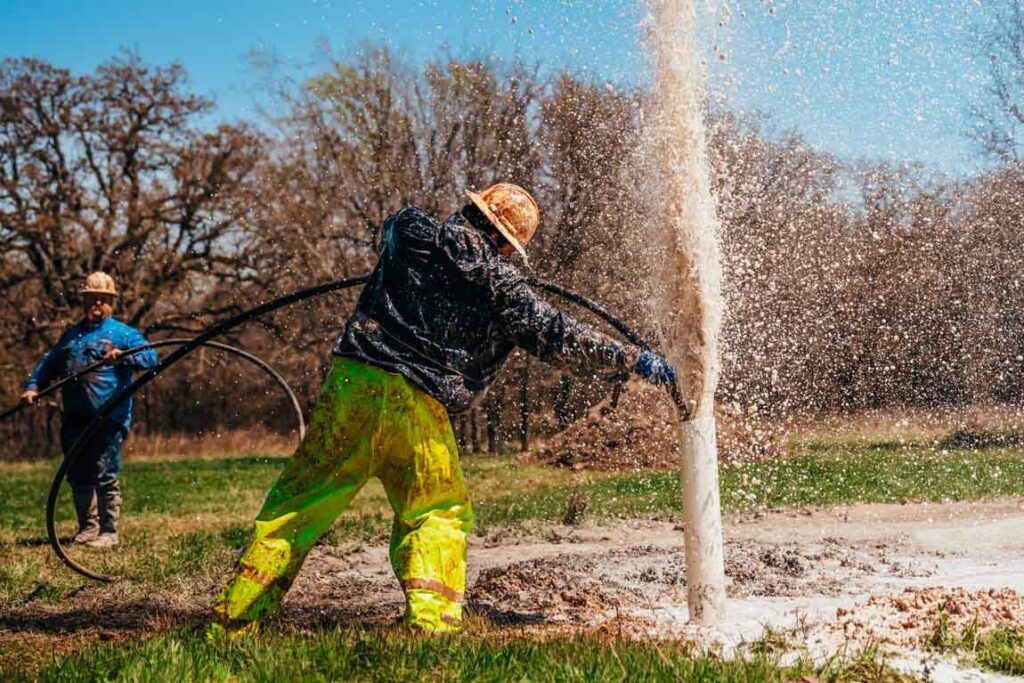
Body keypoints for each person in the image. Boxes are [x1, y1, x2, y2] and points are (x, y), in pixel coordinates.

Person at [211, 183, 677, 634]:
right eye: (510, 250)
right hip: (419, 403)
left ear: (471, 211)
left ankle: (235, 619)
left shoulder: (411, 231)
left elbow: (392, 231)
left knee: (298, 504)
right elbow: (560, 336)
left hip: (353, 384)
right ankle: (430, 626)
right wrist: (634, 360)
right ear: (501, 241)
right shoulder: (505, 290)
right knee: (436, 511)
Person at [21, 272, 158, 549]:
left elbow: (152, 357)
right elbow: (49, 363)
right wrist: (33, 386)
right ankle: (88, 528)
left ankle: (109, 531)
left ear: (111, 302)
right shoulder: (72, 336)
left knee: (104, 472)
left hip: (108, 416)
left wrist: (124, 355)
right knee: (78, 473)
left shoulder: (124, 334)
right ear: (84, 301)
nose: (97, 303)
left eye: (103, 299)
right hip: (74, 417)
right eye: (92, 298)